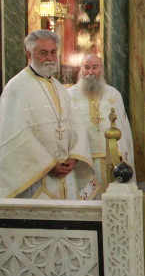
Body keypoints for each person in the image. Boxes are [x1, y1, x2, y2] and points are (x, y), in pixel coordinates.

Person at [0, 30, 96, 199]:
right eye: (43, 53)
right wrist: (48, 164)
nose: (50, 58)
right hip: (36, 176)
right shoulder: (16, 87)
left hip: (66, 173)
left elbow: (75, 125)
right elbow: (14, 134)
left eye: (53, 52)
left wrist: (74, 156)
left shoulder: (59, 87)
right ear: (29, 54)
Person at [68, 54, 134, 195]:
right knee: (85, 197)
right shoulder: (69, 95)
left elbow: (123, 126)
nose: (90, 72)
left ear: (101, 69)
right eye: (86, 68)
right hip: (82, 159)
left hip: (111, 157)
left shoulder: (114, 94)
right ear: (81, 70)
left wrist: (122, 152)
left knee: (109, 196)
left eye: (95, 67)